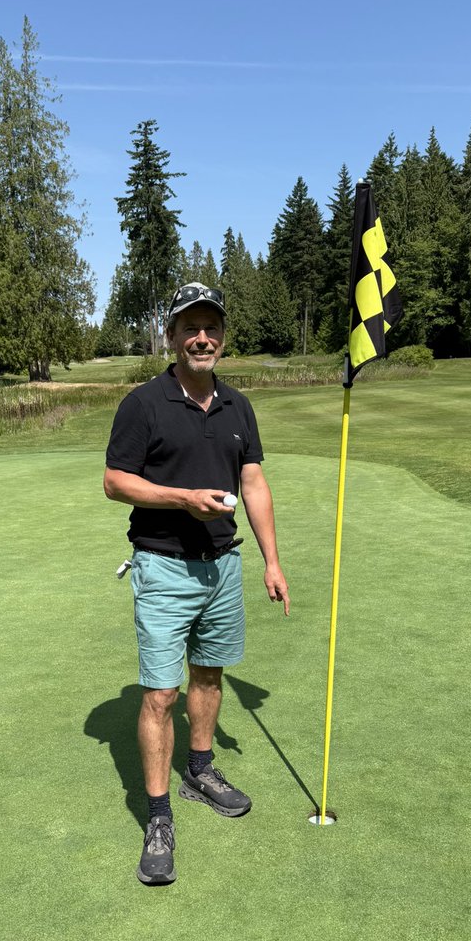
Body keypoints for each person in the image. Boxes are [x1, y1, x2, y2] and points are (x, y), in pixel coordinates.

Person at [104, 282, 290, 885]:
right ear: (172, 336)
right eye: (190, 328)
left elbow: (254, 482)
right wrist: (183, 500)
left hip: (223, 566)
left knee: (208, 677)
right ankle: (158, 817)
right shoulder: (144, 404)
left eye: (211, 327)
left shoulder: (239, 408)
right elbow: (114, 481)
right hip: (162, 567)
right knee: (161, 695)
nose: (201, 337)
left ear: (223, 338)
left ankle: (200, 771)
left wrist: (271, 560)